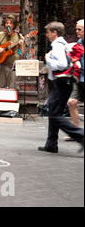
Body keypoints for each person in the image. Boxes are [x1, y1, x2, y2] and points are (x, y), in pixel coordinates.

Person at [38, 22, 84, 153]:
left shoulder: (58, 45)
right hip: (63, 83)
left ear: (54, 33)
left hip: (62, 83)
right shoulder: (62, 44)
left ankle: (80, 135)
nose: (46, 35)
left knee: (54, 115)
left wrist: (48, 59)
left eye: (48, 32)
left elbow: (62, 64)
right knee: (54, 112)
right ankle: (51, 144)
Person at [0, 15, 25, 90]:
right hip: (2, 64)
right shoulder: (0, 35)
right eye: (7, 23)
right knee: (0, 87)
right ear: (4, 24)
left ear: (14, 25)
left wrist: (22, 45)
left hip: (13, 66)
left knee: (12, 87)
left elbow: (22, 52)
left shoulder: (19, 36)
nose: (8, 25)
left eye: (10, 23)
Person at [66, 19, 84, 141]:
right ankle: (77, 132)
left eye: (79, 29)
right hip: (79, 78)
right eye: (76, 29)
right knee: (71, 102)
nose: (77, 31)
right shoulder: (78, 43)